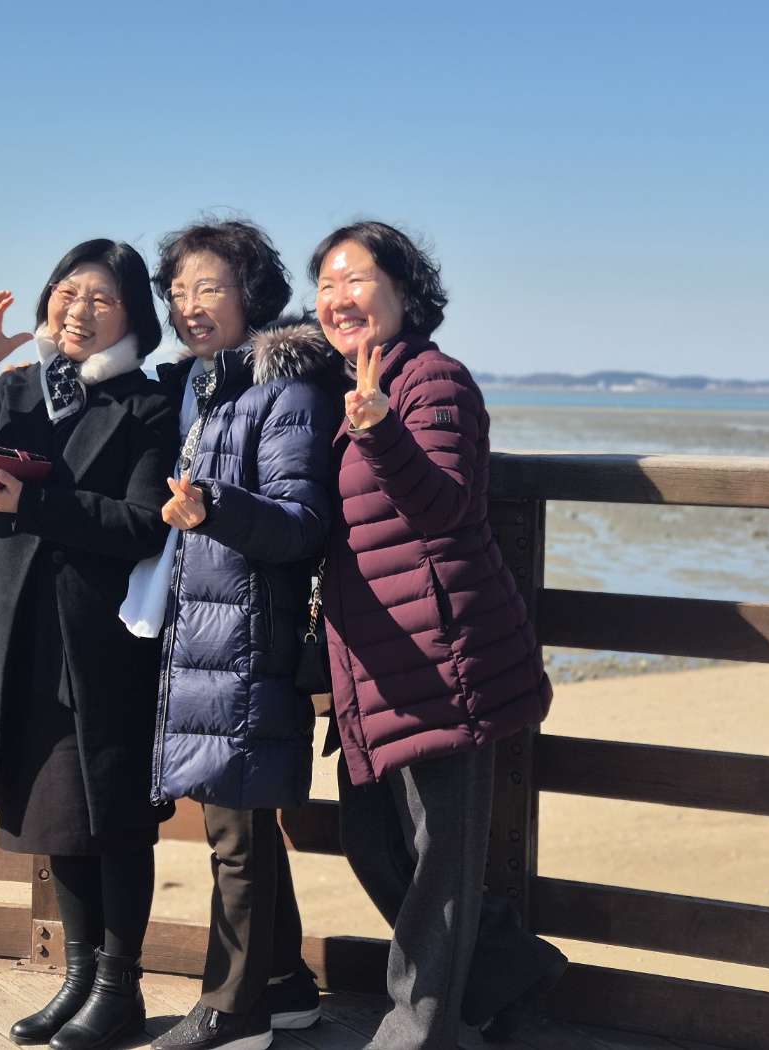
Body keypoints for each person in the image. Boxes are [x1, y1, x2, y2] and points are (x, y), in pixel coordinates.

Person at [310, 221, 569, 1050]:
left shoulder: (434, 380)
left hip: (443, 656)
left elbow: (447, 504)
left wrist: (381, 428)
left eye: (356, 279)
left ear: (404, 292)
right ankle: (513, 970)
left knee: (438, 861)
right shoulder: (345, 386)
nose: (338, 299)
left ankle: (418, 1032)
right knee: (375, 846)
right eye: (325, 286)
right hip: (374, 662)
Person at [0, 239, 178, 1050]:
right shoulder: (16, 388)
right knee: (57, 815)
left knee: (115, 816)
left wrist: (32, 506)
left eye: (101, 298)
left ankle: (120, 989)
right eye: (68, 292)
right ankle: (78, 978)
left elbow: (143, 525)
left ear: (133, 316)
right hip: (15, 629)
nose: (78, 310)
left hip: (100, 637)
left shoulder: (149, 406)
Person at [147, 219, 341, 1050]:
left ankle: (232, 1011)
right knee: (239, 818)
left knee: (234, 828)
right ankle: (285, 985)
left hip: (250, 635)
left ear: (251, 294)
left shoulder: (286, 392)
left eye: (210, 288)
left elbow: (303, 523)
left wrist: (216, 508)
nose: (190, 306)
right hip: (204, 631)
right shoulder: (203, 388)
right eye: (178, 292)